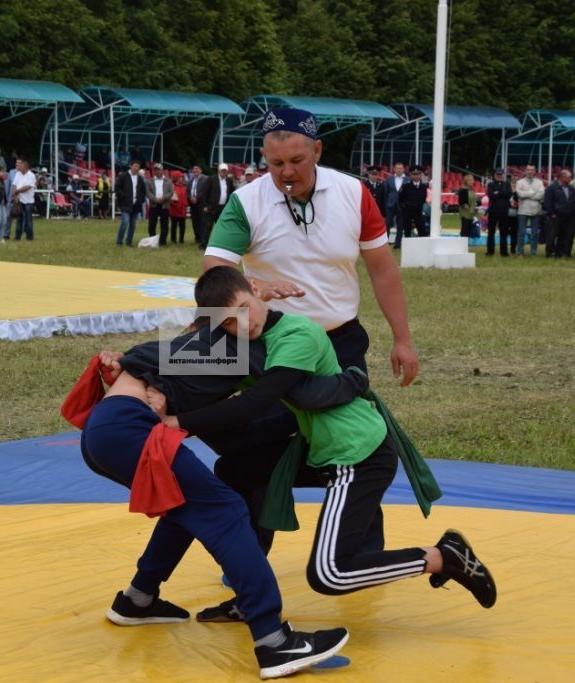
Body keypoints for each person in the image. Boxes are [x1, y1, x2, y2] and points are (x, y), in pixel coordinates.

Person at [171, 266, 496, 610]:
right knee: (236, 470)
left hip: (358, 455)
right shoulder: (249, 345)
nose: (241, 325)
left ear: (255, 289)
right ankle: (254, 592)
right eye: (227, 324)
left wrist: (177, 421)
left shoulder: (296, 334)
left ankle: (444, 556)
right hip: (324, 452)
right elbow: (178, 359)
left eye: (242, 310)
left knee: (330, 574)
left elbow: (257, 403)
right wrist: (128, 363)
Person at [199, 108, 419, 616]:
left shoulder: (353, 194)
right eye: (275, 163)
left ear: (318, 152)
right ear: (264, 159)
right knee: (259, 453)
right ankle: (253, 570)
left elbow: (383, 270)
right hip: (272, 347)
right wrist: (254, 286)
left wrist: (403, 339)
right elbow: (213, 273)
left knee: (346, 446)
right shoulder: (246, 203)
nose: (286, 172)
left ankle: (360, 554)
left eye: (296, 160)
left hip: (339, 345)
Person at [72, 350, 351, 679]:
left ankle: (138, 598)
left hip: (106, 429)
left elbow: (219, 415)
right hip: (126, 428)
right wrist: (350, 383)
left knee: (187, 503)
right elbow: (268, 392)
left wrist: (127, 365)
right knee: (227, 509)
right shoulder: (225, 346)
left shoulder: (195, 351)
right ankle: (273, 641)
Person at [543, 170, 575, 257]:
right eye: (569, 177)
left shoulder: (571, 188)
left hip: (567, 216)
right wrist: (551, 213)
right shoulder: (552, 187)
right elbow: (547, 202)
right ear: (562, 177)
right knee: (552, 235)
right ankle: (549, 253)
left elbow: (573, 200)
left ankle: (560, 253)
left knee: (564, 235)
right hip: (555, 216)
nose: (570, 179)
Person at [200, 162, 235, 246]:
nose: (224, 172)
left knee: (222, 227)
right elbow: (204, 193)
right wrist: (205, 205)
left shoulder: (229, 181)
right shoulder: (211, 179)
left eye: (225, 171)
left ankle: (221, 243)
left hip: (223, 208)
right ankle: (204, 244)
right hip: (211, 207)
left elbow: (231, 192)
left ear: (227, 172)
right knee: (207, 226)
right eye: (222, 170)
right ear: (218, 170)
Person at [515, 164, 545, 256]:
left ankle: (533, 252)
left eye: (532, 170)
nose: (530, 171)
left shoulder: (539, 182)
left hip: (536, 210)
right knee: (521, 233)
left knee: (534, 233)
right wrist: (532, 193)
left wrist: (526, 194)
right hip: (523, 210)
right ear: (525, 171)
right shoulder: (520, 182)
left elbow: (541, 195)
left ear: (535, 171)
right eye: (528, 170)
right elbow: (519, 194)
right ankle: (520, 252)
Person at [114, 161, 146, 247]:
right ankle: (119, 241)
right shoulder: (123, 176)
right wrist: (122, 197)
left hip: (136, 205)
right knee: (125, 221)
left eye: (138, 167)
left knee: (133, 224)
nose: (136, 168)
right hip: (125, 204)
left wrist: (141, 200)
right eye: (135, 166)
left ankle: (129, 242)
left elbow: (143, 191)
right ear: (130, 166)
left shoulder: (140, 179)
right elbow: (117, 187)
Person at [484, 168, 512, 256]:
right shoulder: (490, 185)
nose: (499, 176)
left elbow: (508, 195)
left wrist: (498, 193)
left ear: (503, 175)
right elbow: (491, 196)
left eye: (501, 175)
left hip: (504, 212)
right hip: (493, 211)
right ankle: (490, 251)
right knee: (491, 232)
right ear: (494, 175)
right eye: (497, 175)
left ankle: (504, 252)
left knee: (504, 232)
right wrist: (501, 193)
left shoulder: (507, 184)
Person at [378, 162, 406, 248]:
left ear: (403, 169)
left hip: (402, 206)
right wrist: (386, 205)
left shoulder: (408, 179)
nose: (399, 170)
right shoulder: (389, 179)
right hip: (390, 206)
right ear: (394, 169)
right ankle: (385, 243)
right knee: (387, 225)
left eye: (400, 168)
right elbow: (385, 193)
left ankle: (398, 244)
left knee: (400, 225)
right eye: (397, 168)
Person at [146, 163, 174, 245]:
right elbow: (148, 192)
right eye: (156, 170)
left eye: (159, 169)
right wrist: (155, 199)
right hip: (154, 204)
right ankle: (152, 241)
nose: (158, 171)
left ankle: (162, 242)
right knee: (152, 224)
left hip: (164, 204)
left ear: (163, 170)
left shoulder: (168, 181)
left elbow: (171, 192)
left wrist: (163, 198)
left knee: (164, 224)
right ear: (154, 171)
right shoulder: (149, 181)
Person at [397, 167, 427, 241]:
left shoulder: (423, 186)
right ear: (411, 175)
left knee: (422, 229)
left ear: (420, 175)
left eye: (418, 174)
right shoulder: (406, 186)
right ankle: (408, 247)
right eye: (414, 174)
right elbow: (400, 199)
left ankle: (422, 245)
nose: (416, 176)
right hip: (408, 212)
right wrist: (404, 207)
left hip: (418, 211)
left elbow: (423, 198)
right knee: (407, 230)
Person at [12, 159, 37, 240]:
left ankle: (29, 237)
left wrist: (17, 191)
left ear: (25, 167)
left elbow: (28, 187)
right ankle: (17, 237)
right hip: (19, 200)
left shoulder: (31, 175)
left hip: (28, 201)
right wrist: (14, 196)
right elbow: (14, 185)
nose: (19, 167)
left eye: (21, 165)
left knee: (28, 220)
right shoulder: (17, 174)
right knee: (19, 220)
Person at [187, 164, 207, 246]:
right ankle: (197, 238)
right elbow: (187, 192)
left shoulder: (205, 179)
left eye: (197, 169)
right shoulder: (190, 181)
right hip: (193, 204)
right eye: (194, 169)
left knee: (202, 222)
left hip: (201, 204)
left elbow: (205, 191)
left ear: (201, 170)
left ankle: (203, 239)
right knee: (194, 222)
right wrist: (190, 197)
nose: (195, 171)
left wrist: (197, 198)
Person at [168, 170, 188, 244]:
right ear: (176, 178)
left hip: (182, 209)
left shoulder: (184, 187)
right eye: (180, 177)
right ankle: (173, 240)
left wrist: (185, 204)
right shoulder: (172, 186)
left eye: (182, 177)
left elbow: (185, 197)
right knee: (174, 225)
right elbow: (170, 198)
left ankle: (181, 240)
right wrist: (174, 204)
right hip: (174, 210)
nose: (182, 178)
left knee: (182, 226)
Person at [456, 173, 478, 238]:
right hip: (465, 214)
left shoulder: (471, 190)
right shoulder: (463, 190)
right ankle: (463, 245)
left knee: (469, 231)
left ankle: (466, 245)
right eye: (469, 180)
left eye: (472, 180)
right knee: (465, 231)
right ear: (466, 181)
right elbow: (462, 202)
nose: (471, 181)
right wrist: (469, 209)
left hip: (471, 214)